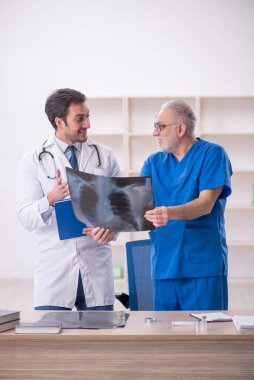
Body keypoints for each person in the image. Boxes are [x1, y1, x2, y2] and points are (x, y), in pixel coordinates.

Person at [17, 88, 121, 310]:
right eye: (79, 119)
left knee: (99, 342)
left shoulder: (105, 155)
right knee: (53, 342)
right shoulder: (33, 160)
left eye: (87, 116)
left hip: (96, 267)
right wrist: (51, 199)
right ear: (59, 122)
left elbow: (120, 207)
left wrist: (111, 230)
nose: (87, 124)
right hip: (55, 271)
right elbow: (25, 217)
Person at [142, 99, 232, 311]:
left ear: (181, 128)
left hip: (201, 266)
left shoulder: (212, 154)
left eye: (160, 126)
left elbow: (205, 204)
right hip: (164, 265)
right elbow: (135, 207)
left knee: (206, 338)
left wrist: (168, 213)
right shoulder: (153, 162)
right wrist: (106, 223)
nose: (155, 133)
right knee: (165, 340)